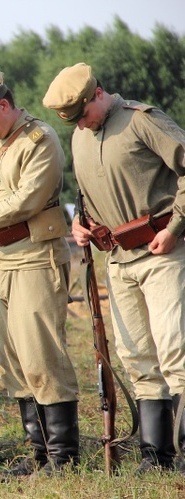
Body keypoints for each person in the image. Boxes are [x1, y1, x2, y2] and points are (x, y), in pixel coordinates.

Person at [44, 62, 185, 475]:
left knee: (177, 351)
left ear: (98, 94)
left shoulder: (144, 121)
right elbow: (85, 193)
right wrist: (81, 222)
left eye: (83, 114)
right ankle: (155, 457)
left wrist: (177, 226)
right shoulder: (79, 135)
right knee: (137, 356)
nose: (81, 125)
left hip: (163, 253)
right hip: (118, 260)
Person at [0, 70, 80, 476]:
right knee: (13, 361)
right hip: (4, 262)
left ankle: (63, 457)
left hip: (36, 260)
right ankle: (39, 453)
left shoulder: (40, 141)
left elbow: (26, 201)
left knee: (41, 356)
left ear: (3, 106)